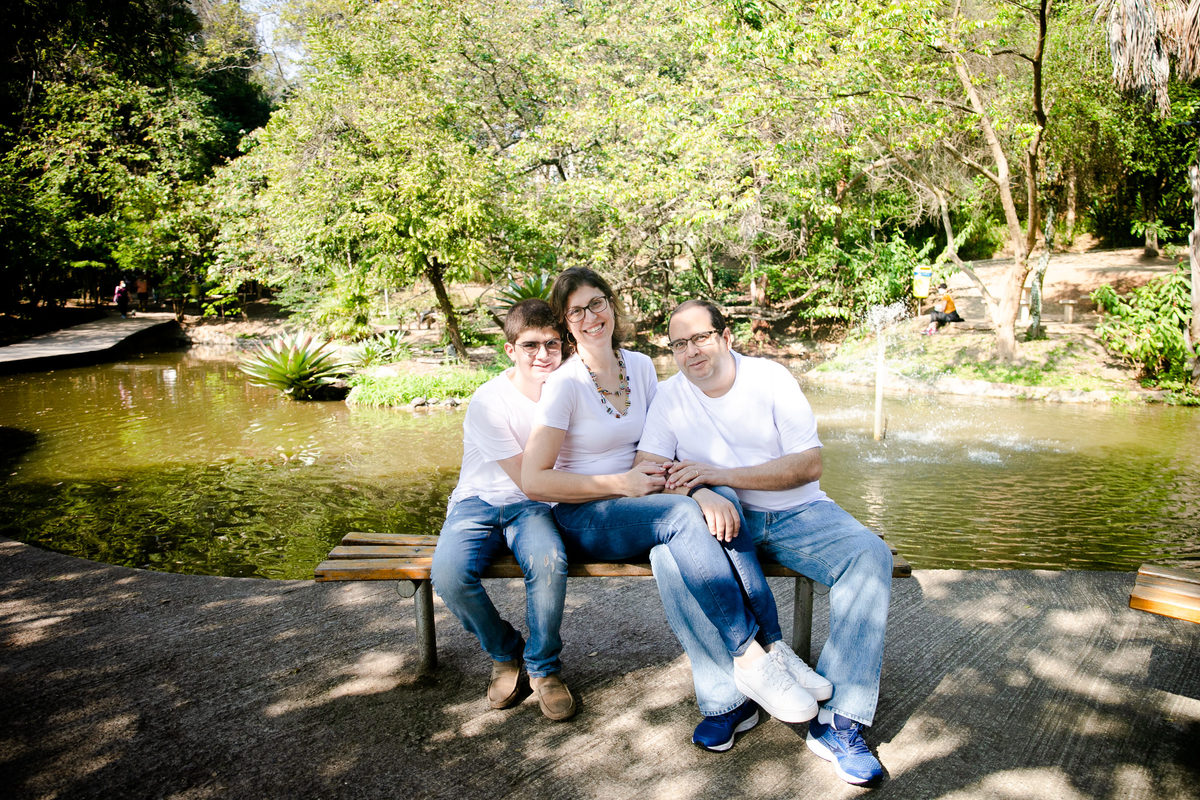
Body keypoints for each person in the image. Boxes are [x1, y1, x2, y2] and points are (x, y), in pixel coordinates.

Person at [521, 268, 823, 727]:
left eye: (596, 303)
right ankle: (749, 654)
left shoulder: (640, 367)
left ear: (611, 304)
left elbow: (661, 449)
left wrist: (702, 489)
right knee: (682, 516)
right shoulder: (564, 384)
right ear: (565, 322)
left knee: (724, 494)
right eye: (575, 311)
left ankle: (775, 648)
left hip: (644, 501)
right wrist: (621, 484)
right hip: (585, 515)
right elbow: (534, 481)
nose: (589, 317)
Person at [640, 299, 894, 785]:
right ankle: (730, 700)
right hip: (719, 518)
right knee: (668, 558)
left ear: (725, 336)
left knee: (868, 554)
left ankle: (840, 720)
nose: (691, 351)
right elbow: (647, 469)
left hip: (799, 512)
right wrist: (699, 491)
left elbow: (808, 464)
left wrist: (717, 474)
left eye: (700, 337)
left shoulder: (770, 379)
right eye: (678, 343)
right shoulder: (670, 396)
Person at [429, 299, 575, 721]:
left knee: (549, 562)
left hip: (533, 507)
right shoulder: (489, 401)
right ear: (510, 350)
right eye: (530, 345)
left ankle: (544, 667)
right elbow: (527, 478)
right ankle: (505, 652)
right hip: (480, 502)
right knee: (449, 575)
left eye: (552, 343)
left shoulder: (569, 390)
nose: (543, 354)